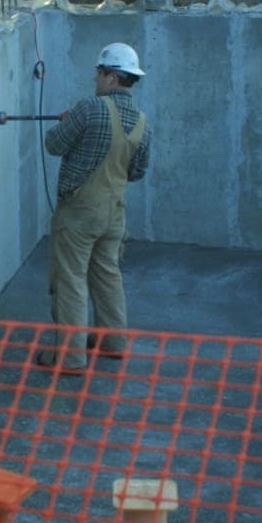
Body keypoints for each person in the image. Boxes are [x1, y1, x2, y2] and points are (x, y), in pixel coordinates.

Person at [37, 42, 152, 373]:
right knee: (107, 274)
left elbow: (54, 144)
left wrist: (69, 122)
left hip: (79, 212)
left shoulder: (90, 109)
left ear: (112, 77)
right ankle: (113, 342)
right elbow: (137, 172)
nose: (96, 80)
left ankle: (70, 357)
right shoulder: (143, 123)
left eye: (100, 74)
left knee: (70, 279)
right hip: (114, 212)